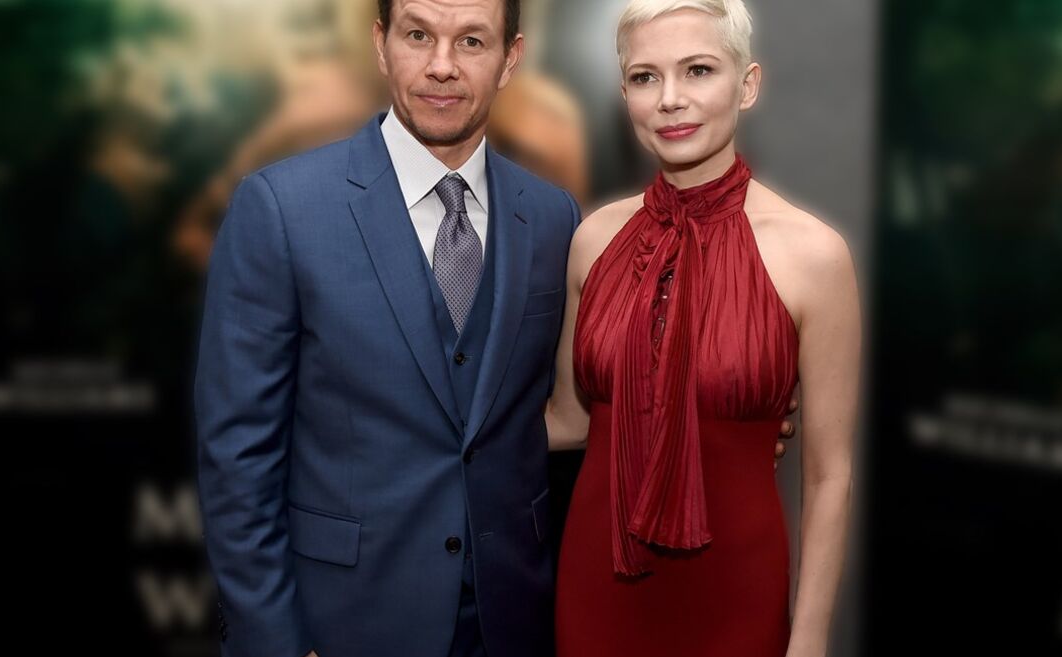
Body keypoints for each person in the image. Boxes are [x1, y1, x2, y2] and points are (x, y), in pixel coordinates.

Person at [194, 1, 796, 657]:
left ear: (511, 59)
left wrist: (722, 417)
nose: (442, 65)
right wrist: (275, 644)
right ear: (381, 44)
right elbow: (236, 455)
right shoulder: (282, 209)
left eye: (472, 41)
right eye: (418, 35)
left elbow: (589, 392)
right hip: (346, 622)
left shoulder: (554, 219)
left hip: (519, 618)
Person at [545, 2, 860, 656]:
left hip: (737, 596)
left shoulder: (815, 256)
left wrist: (809, 640)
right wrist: (424, 425)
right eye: (645, 77)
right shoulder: (592, 240)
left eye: (698, 70)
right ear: (624, 95)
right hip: (597, 591)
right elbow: (570, 423)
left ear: (747, 84)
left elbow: (830, 476)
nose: (670, 99)